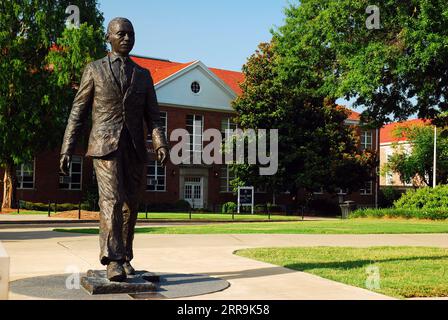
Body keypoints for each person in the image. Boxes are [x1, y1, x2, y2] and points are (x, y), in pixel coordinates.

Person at [60, 18, 169, 282]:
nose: (127, 39)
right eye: (121, 34)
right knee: (112, 200)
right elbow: (78, 112)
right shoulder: (94, 70)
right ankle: (112, 259)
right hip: (104, 146)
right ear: (108, 37)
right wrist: (67, 148)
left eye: (131, 34)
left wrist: (160, 143)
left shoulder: (143, 75)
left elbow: (153, 117)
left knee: (131, 204)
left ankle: (126, 256)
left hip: (134, 148)